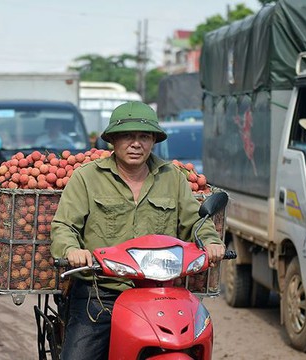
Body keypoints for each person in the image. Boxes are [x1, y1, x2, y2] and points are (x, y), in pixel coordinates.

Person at [50, 101, 225, 360]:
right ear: (113, 140)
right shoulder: (87, 177)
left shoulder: (172, 177)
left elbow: (194, 222)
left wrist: (211, 242)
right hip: (101, 293)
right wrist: (72, 250)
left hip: (160, 293)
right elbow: (64, 224)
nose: (136, 144)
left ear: (153, 140)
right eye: (127, 136)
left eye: (144, 136)